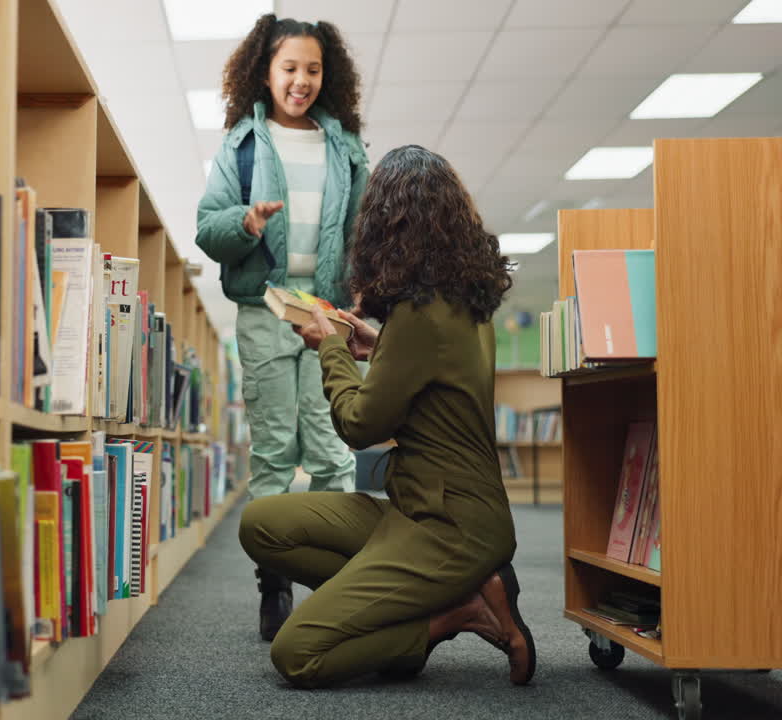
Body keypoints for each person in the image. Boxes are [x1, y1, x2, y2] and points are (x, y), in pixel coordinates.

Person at [238, 144, 536, 688]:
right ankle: (395, 604)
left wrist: (329, 347)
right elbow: (435, 378)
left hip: (451, 530)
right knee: (262, 526)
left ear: (388, 229)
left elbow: (360, 426)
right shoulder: (461, 303)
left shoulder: (420, 315)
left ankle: (452, 614)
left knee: (298, 653)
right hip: (419, 508)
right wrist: (377, 347)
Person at [194, 14, 368, 643]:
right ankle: (275, 586)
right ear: (265, 74)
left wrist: (363, 294)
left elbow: (364, 233)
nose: (301, 80)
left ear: (329, 76)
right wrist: (246, 219)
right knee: (273, 453)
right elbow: (206, 229)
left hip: (325, 313)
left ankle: (341, 585)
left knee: (331, 451)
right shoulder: (240, 146)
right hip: (265, 308)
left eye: (313, 69)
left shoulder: (346, 148)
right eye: (290, 68)